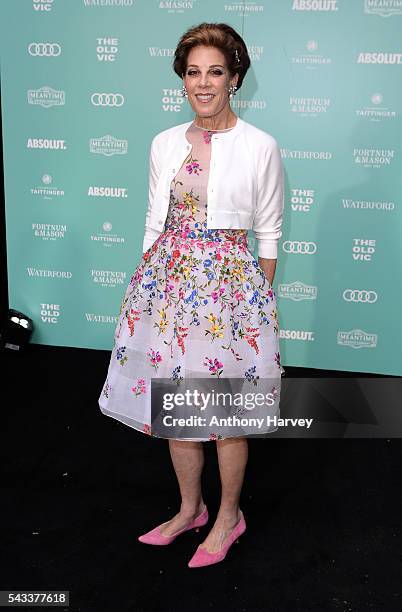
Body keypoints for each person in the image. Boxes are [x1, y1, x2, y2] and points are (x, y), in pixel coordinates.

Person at [98, 22, 285, 568]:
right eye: (193, 73)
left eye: (215, 72)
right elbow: (155, 224)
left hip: (229, 292)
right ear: (183, 80)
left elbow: (268, 231)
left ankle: (229, 516)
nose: (203, 83)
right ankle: (190, 510)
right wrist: (143, 287)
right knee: (175, 409)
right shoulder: (163, 142)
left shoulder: (260, 146)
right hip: (169, 284)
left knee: (224, 414)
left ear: (235, 78)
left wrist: (255, 307)